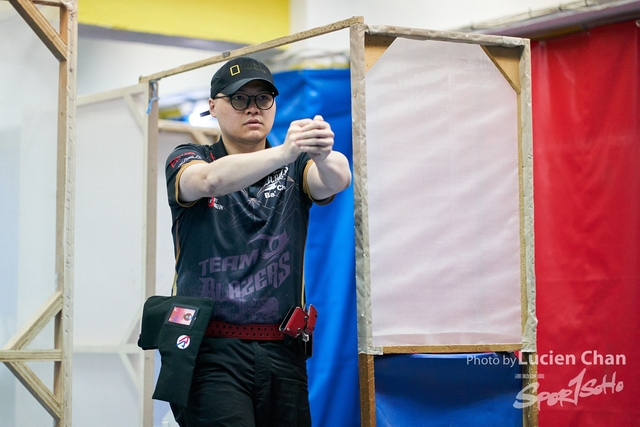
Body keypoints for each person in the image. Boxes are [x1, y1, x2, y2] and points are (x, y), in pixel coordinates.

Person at [164, 56, 351, 427]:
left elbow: (337, 179)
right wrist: (285, 151)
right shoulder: (189, 158)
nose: (253, 108)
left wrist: (324, 154)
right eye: (239, 99)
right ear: (213, 107)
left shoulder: (298, 166)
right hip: (208, 350)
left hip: (282, 350)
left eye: (263, 99)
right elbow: (209, 182)